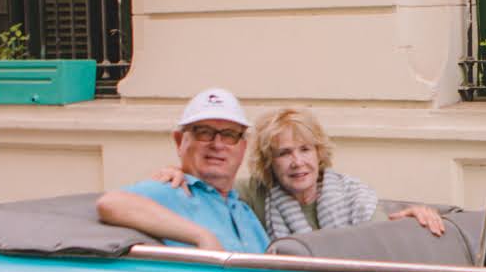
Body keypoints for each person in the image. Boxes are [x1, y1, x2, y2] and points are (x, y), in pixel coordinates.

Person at [96, 88, 270, 253]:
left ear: (242, 147)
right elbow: (111, 203)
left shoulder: (242, 208)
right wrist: (201, 236)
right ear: (180, 141)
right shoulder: (171, 189)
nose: (217, 144)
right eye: (204, 132)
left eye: (229, 135)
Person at [242, 106, 446, 240]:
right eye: (284, 153)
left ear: (319, 153)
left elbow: (384, 237)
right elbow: (214, 188)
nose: (297, 162)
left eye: (305, 150)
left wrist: (411, 220)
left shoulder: (353, 195)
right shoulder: (259, 194)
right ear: (269, 162)